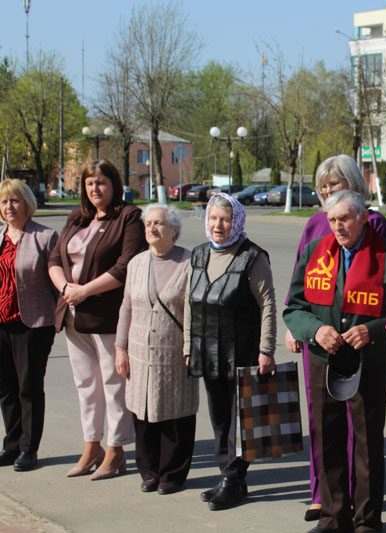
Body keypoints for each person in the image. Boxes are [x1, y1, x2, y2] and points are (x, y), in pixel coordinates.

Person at [284, 190, 386, 533]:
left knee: (367, 442)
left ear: (364, 217)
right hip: (323, 357)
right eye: (332, 220)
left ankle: (367, 521)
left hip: (368, 361)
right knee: (326, 438)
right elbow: (294, 307)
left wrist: (373, 330)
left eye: (345, 219)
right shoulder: (315, 252)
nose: (338, 226)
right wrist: (314, 329)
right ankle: (333, 518)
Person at [48, 160, 146, 480]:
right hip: (73, 314)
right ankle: (92, 445)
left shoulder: (129, 217)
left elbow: (125, 266)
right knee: (86, 385)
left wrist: (84, 291)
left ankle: (116, 448)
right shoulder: (77, 217)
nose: (95, 189)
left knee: (113, 385)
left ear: (114, 184)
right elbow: (54, 259)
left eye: (101, 182)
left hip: (107, 316)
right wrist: (66, 289)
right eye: (89, 183)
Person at [184, 192, 276, 511]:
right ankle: (227, 475)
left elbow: (267, 304)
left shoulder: (253, 257)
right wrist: (188, 345)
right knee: (220, 418)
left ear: (236, 221)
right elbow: (189, 303)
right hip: (208, 352)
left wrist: (266, 349)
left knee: (241, 420)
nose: (218, 225)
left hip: (243, 352)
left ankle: (234, 478)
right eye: (213, 218)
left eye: (225, 219)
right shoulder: (199, 254)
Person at [115, 204, 198, 495]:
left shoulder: (189, 262)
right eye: (148, 223)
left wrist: (190, 348)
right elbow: (126, 307)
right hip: (139, 352)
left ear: (174, 230)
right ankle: (149, 471)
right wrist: (120, 348)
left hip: (175, 350)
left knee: (175, 412)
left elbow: (194, 311)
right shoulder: (136, 263)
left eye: (159, 223)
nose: (152, 228)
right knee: (143, 411)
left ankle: (172, 473)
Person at [0, 179, 58, 472]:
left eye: (15, 200)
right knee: (5, 388)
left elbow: (57, 281)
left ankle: (28, 449)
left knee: (29, 387)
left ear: (27, 203)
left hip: (32, 324)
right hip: (1, 322)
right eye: (4, 202)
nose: (9, 207)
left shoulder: (45, 236)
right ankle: (11, 445)